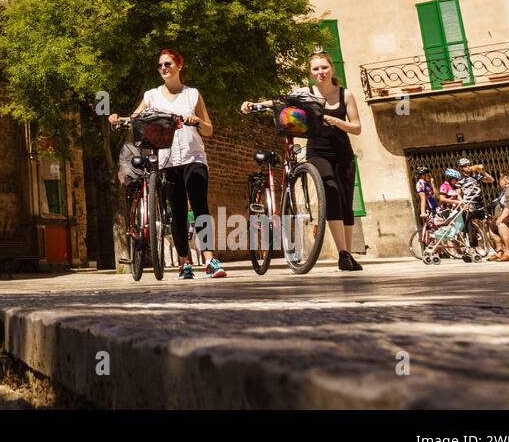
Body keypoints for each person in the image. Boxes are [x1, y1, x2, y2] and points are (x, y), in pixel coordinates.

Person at [240, 51, 364, 272]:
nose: (320, 73)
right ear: (310, 72)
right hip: (318, 151)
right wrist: (256, 104)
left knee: (347, 203)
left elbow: (357, 127)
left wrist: (336, 120)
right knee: (331, 191)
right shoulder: (306, 93)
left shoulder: (345, 95)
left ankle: (349, 254)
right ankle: (343, 253)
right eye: (315, 69)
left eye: (324, 68)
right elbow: (280, 101)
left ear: (331, 69)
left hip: (343, 151)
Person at [110, 48, 225, 279]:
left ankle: (210, 260)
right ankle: (185, 263)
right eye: (160, 65)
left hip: (194, 157)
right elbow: (135, 119)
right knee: (178, 211)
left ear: (179, 66)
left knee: (200, 207)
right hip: (167, 159)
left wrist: (197, 121)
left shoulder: (192, 94)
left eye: (168, 64)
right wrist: (118, 119)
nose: (164, 68)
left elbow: (209, 129)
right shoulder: (151, 96)